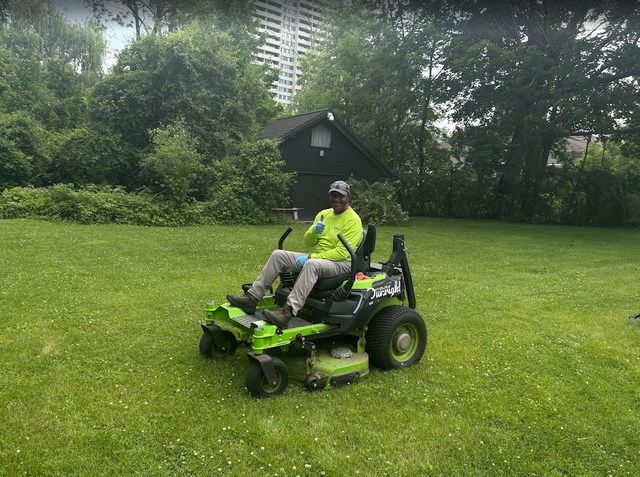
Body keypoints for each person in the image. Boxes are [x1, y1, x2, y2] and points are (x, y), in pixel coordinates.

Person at [227, 180, 363, 329]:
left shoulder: (353, 220)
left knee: (311, 264)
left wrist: (311, 257)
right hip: (321, 258)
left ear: (348, 197)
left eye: (341, 196)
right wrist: (313, 231)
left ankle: (288, 311)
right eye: (333, 195)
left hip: (342, 263)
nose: (336, 199)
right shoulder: (324, 214)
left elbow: (342, 252)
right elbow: (308, 242)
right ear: (329, 196)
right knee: (278, 255)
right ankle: (252, 298)